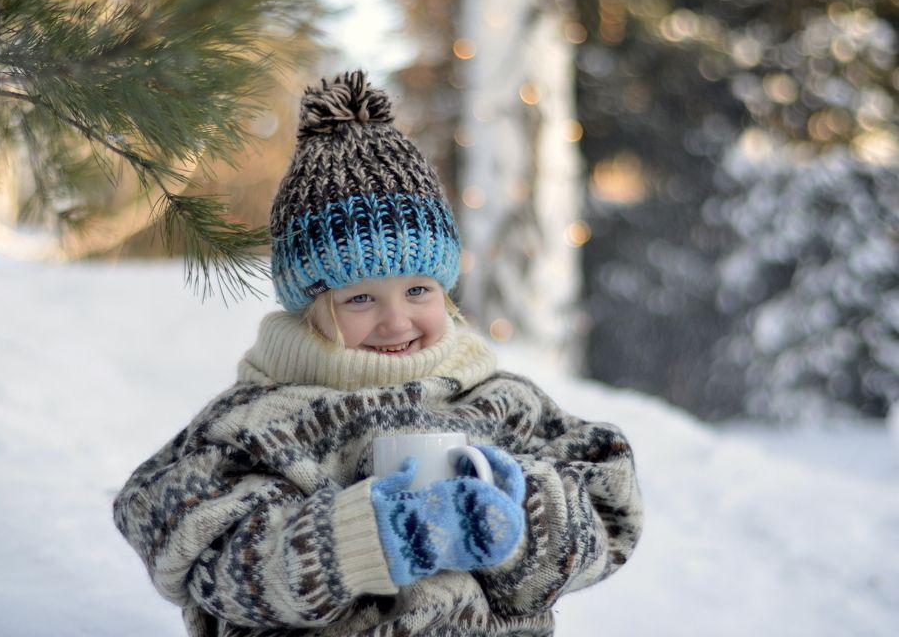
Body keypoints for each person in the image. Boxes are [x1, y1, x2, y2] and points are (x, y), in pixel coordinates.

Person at [113, 70, 643, 637]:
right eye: (361, 297)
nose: (396, 320)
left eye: (418, 290)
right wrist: (367, 538)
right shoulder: (262, 423)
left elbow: (609, 507)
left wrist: (523, 514)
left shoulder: (500, 402)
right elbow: (191, 547)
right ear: (309, 304)